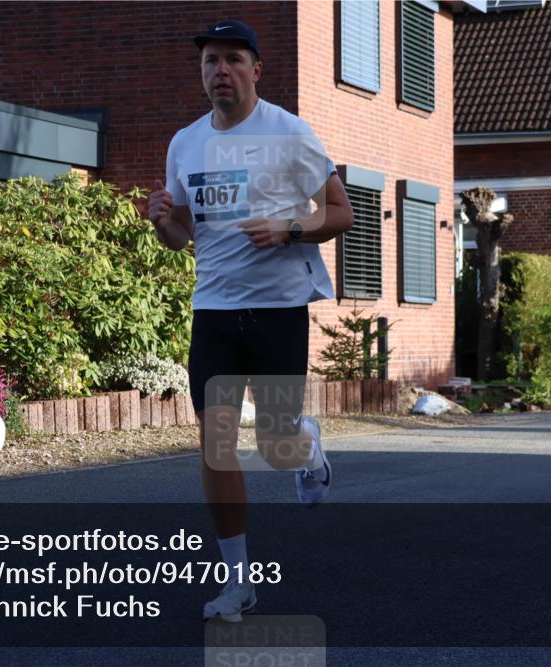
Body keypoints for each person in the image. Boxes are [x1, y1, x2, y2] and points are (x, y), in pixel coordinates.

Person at [148, 19, 354, 622]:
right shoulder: (185, 143)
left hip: (278, 309)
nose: (220, 70)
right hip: (212, 310)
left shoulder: (289, 133)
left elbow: (339, 212)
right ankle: (238, 583)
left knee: (276, 445)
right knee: (215, 447)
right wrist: (162, 218)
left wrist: (289, 228)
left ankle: (308, 449)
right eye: (210, 60)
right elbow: (181, 237)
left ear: (256, 70)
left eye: (233, 59)